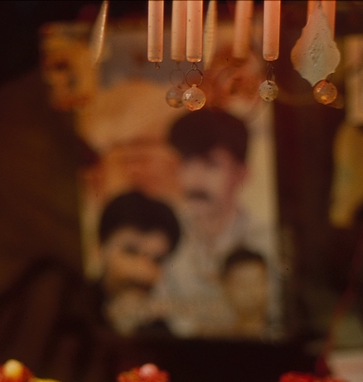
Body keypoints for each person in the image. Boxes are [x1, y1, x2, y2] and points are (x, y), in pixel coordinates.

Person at [157, 108, 275, 337]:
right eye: (187, 163)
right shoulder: (163, 237)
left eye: (211, 165)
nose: (195, 179)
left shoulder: (266, 241)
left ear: (242, 174)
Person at [95, 191, 181, 337]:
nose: (142, 271)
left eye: (157, 260)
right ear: (100, 249)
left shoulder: (160, 332)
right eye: (130, 252)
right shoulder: (66, 310)